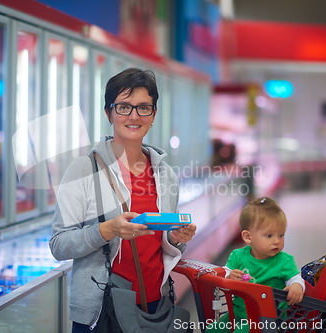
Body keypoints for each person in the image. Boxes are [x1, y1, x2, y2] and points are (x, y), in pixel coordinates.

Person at [49, 68, 197, 333]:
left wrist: (176, 239)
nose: (133, 116)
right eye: (123, 107)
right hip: (101, 312)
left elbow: (161, 244)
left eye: (143, 108)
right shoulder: (84, 170)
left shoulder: (166, 175)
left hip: (154, 307)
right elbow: (59, 245)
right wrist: (108, 230)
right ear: (109, 113)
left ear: (153, 115)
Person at [208, 196, 304, 333]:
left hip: (268, 320)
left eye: (281, 235)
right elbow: (224, 273)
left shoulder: (284, 261)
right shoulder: (238, 256)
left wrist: (296, 285)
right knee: (212, 330)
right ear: (248, 237)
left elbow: (295, 277)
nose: (277, 241)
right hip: (237, 314)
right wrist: (229, 276)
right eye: (269, 236)